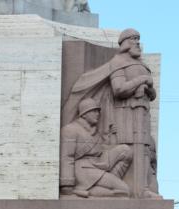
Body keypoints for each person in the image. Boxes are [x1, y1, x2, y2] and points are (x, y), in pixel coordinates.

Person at [64, 28, 159, 198]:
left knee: (143, 150)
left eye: (138, 38)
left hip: (143, 113)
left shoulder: (143, 66)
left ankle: (140, 188)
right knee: (131, 149)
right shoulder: (118, 62)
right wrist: (141, 80)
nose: (137, 42)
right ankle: (134, 190)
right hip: (127, 114)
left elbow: (152, 95)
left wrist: (147, 87)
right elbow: (119, 89)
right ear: (125, 43)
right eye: (133, 38)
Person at [60, 97, 131, 197]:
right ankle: (90, 191)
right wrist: (67, 184)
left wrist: (111, 137)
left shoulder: (94, 131)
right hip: (83, 169)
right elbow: (67, 157)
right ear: (84, 114)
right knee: (124, 189)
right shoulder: (70, 130)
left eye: (98, 111)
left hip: (97, 164)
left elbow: (100, 150)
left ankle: (108, 183)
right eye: (94, 111)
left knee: (126, 150)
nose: (98, 114)